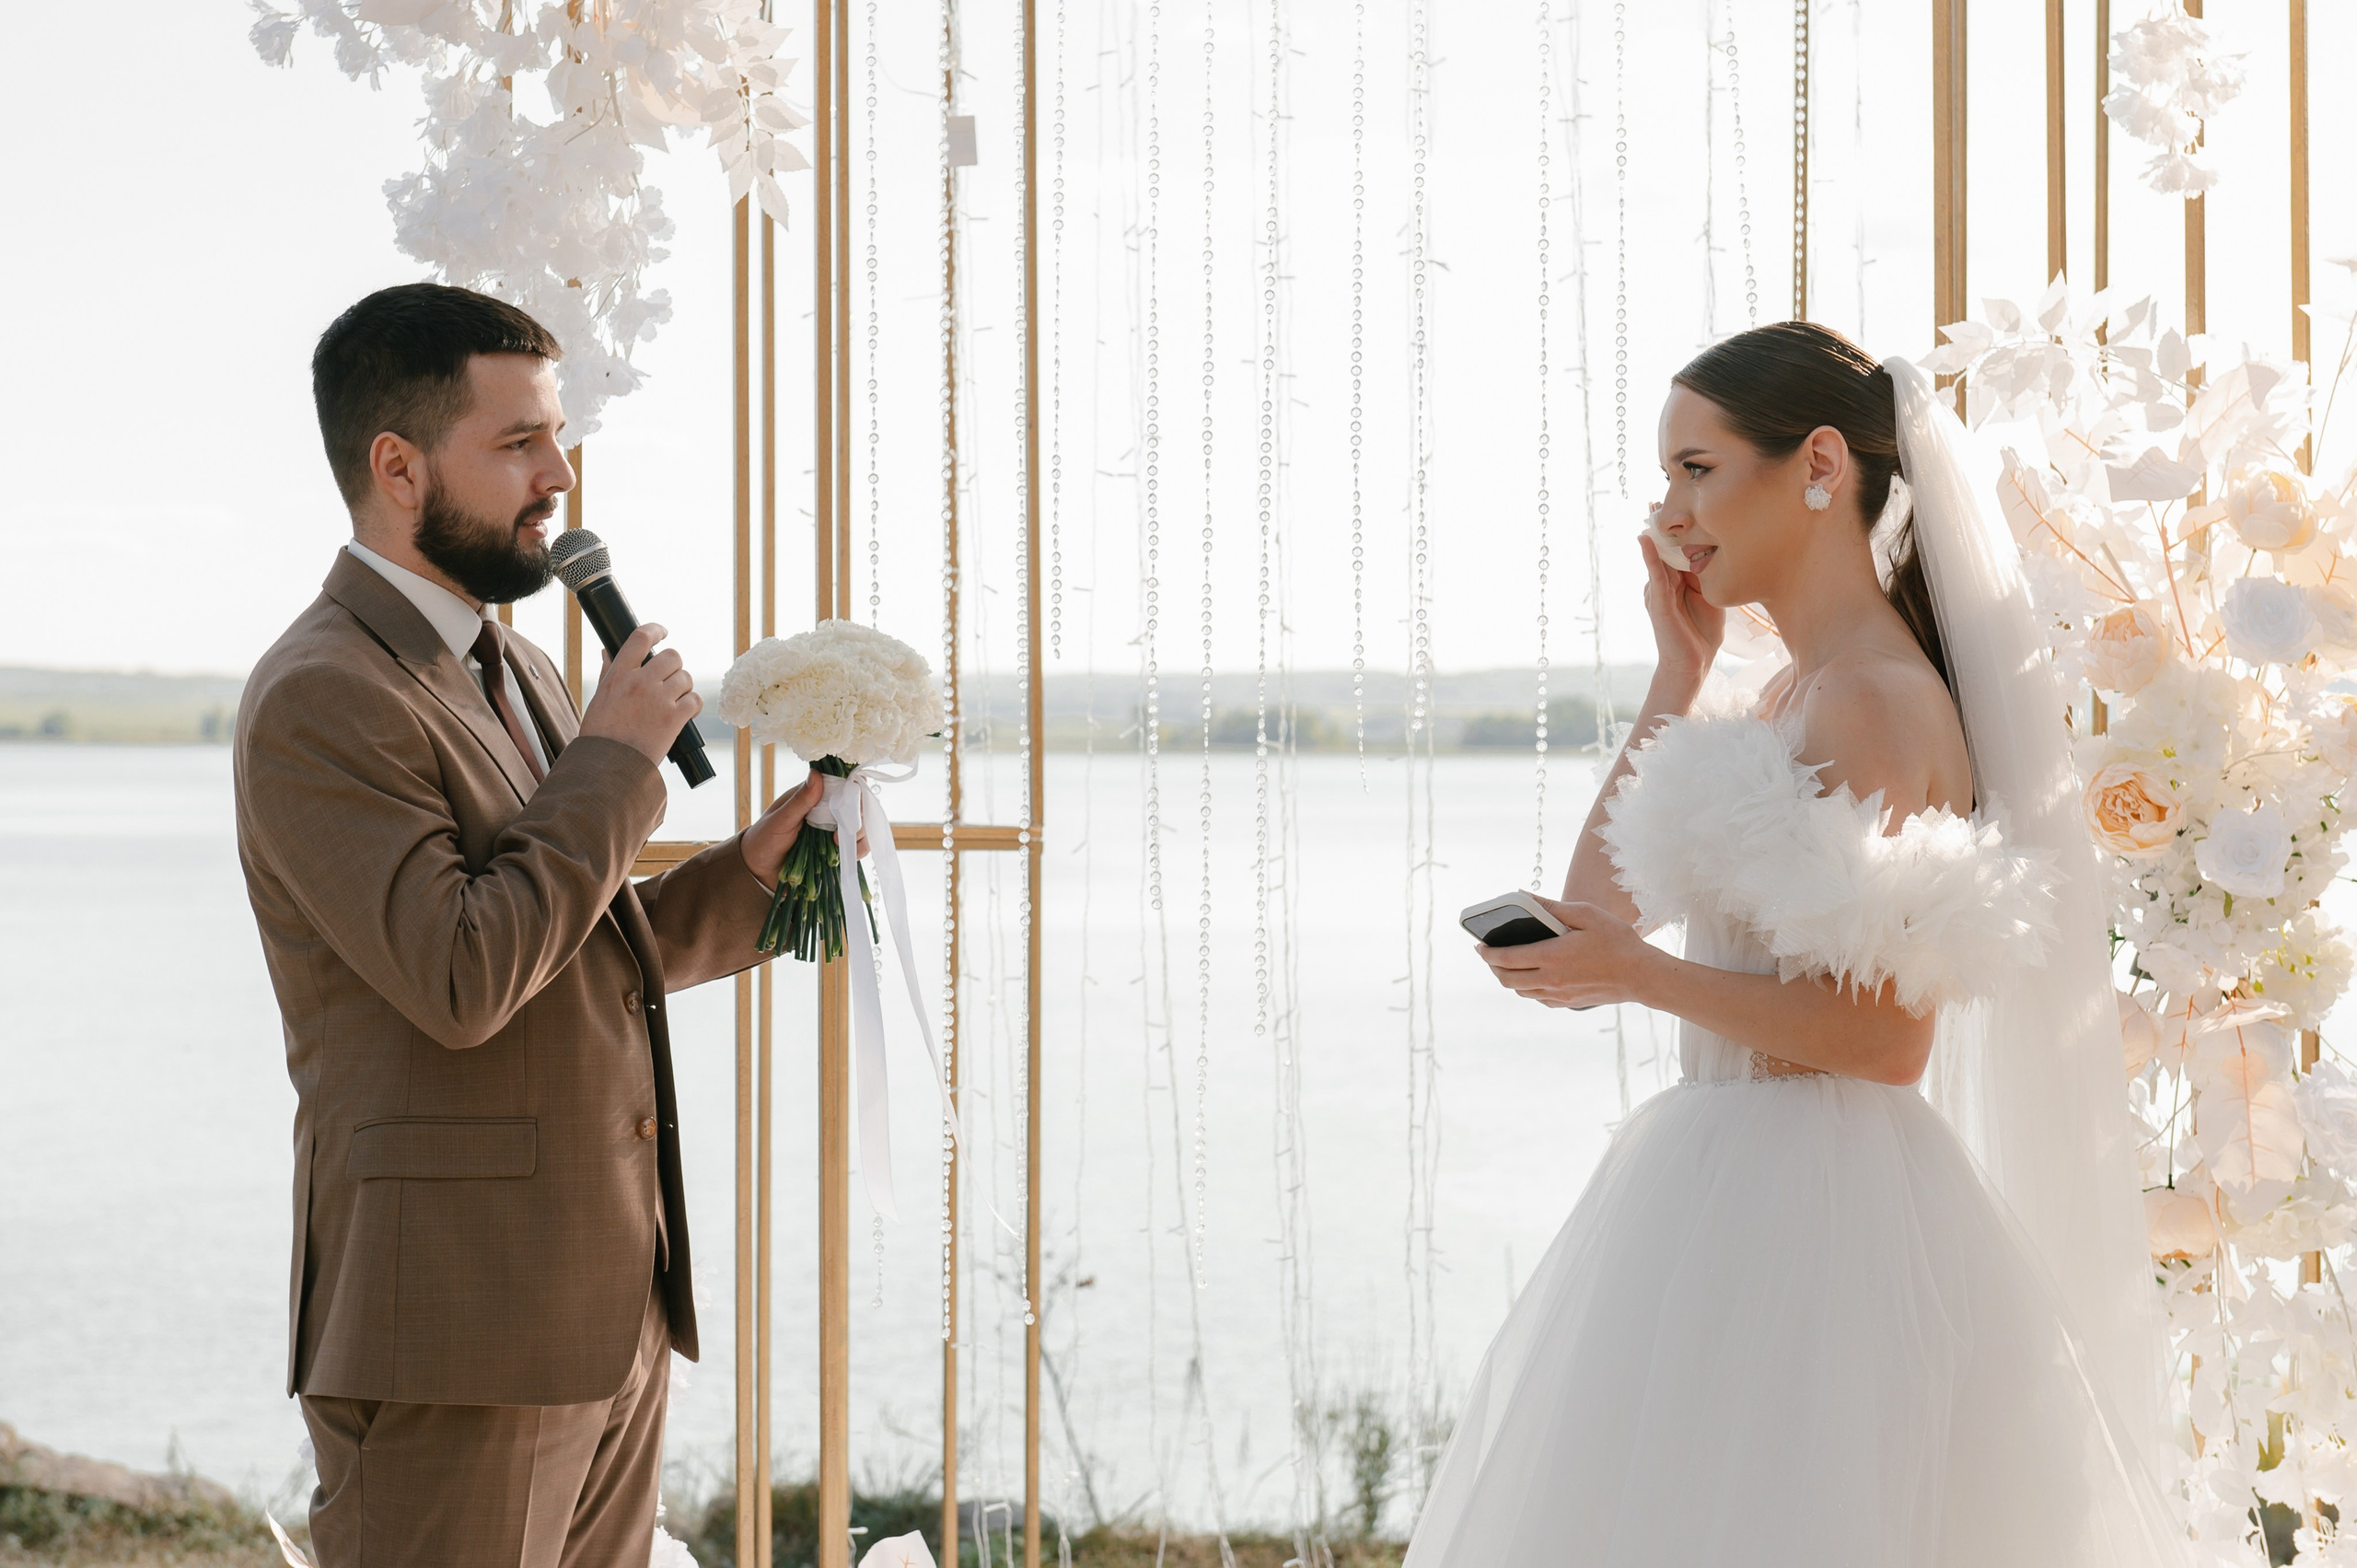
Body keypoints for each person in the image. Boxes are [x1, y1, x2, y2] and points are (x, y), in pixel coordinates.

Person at [1406, 321, 2189, 1564]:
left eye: (1698, 469)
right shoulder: (1790, 688)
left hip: (1818, 1218)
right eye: (1670, 476)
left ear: (1819, 465)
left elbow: (1885, 1040)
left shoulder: (1872, 702)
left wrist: (1641, 978)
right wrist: (1680, 672)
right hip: (1732, 1182)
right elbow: (1598, 908)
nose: (1671, 508)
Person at [233, 282, 836, 1567]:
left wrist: (762, 874)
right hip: (460, 1328)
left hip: (605, 1307)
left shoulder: (525, 666)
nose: (559, 476)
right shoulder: (321, 695)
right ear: (397, 465)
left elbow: (588, 948)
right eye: (518, 444)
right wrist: (619, 761)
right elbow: (463, 973)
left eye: (556, 439)